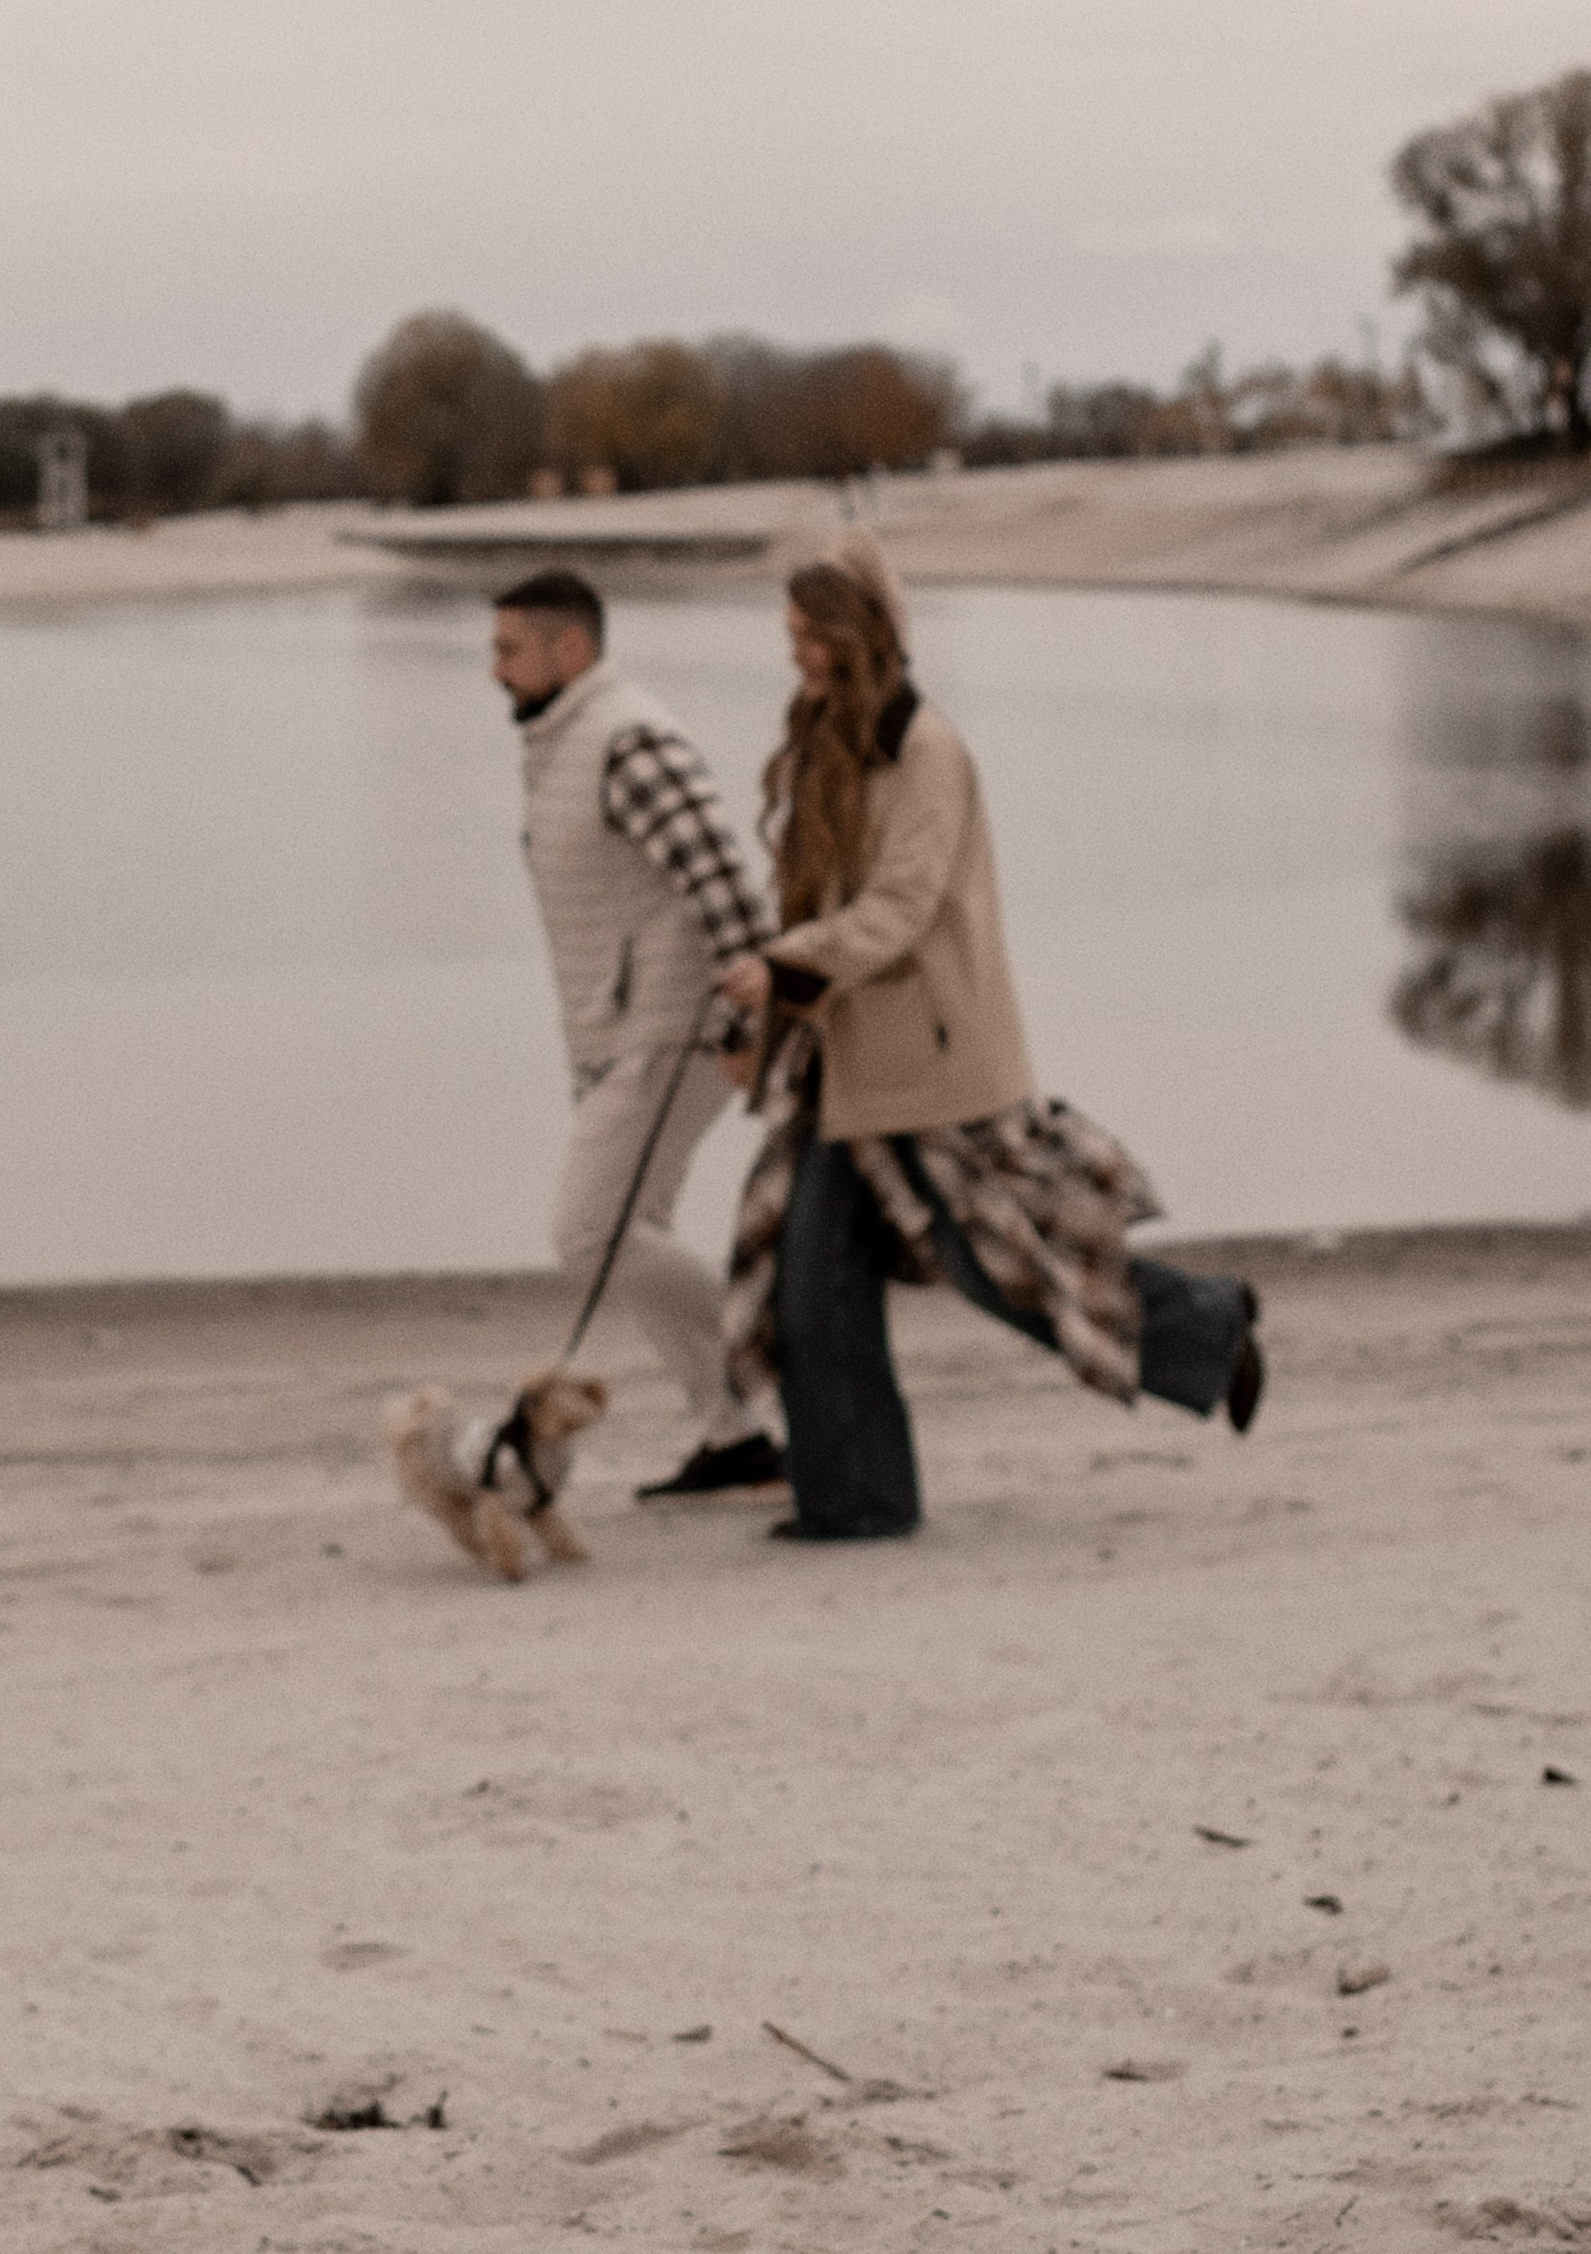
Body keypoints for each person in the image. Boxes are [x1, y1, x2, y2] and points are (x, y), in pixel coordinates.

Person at [719, 531, 1263, 1543]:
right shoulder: (825, 737)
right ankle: (858, 1501)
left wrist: (787, 968)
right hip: (842, 1059)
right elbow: (811, 898)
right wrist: (767, 1014)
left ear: (858, 635)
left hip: (928, 1059)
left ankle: (1205, 1326)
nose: (792, 651)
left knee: (997, 1270)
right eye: (789, 633)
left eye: (808, 635)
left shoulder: (927, 750)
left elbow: (902, 906)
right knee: (810, 1282)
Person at [491, 568, 788, 1498]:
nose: (491, 669)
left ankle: (798, 1348)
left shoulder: (629, 742)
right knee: (634, 1227)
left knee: (592, 1228)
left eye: (507, 649)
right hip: (626, 1030)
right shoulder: (565, 741)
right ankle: (738, 1433)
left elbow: (732, 889)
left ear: (567, 650)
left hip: (679, 1024)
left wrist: (745, 1019)